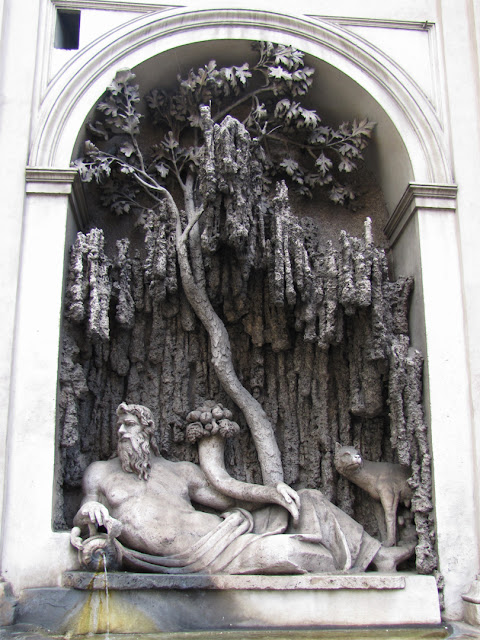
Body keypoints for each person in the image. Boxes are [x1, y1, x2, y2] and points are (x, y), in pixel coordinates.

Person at [71, 403, 414, 574]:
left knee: (309, 498)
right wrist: (89, 510)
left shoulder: (177, 471)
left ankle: (378, 554)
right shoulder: (100, 473)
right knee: (290, 554)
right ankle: (345, 561)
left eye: (129, 425)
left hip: (227, 530)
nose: (122, 432)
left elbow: (226, 494)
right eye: (119, 426)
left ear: (148, 432)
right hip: (197, 559)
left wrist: (270, 492)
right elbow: (85, 509)